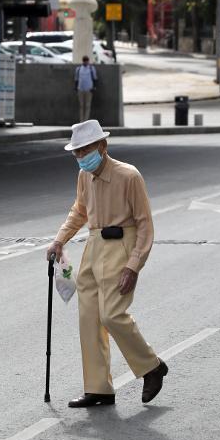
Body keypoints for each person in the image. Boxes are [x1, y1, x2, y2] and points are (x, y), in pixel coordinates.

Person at [46, 120, 168, 408]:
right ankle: (98, 388)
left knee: (112, 315)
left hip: (122, 246)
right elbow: (79, 211)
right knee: (89, 318)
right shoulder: (84, 176)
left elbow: (145, 224)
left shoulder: (129, 176)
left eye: (85, 150)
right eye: (76, 152)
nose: (81, 156)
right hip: (94, 246)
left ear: (103, 146)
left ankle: (152, 366)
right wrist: (59, 240)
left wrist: (134, 265)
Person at [73, 55, 98, 123]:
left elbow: (95, 79)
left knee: (87, 105)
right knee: (81, 105)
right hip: (80, 89)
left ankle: (86, 120)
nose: (85, 62)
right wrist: (76, 87)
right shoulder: (79, 69)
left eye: (86, 61)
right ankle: (81, 120)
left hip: (89, 89)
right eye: (84, 61)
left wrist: (94, 87)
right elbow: (76, 79)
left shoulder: (91, 69)